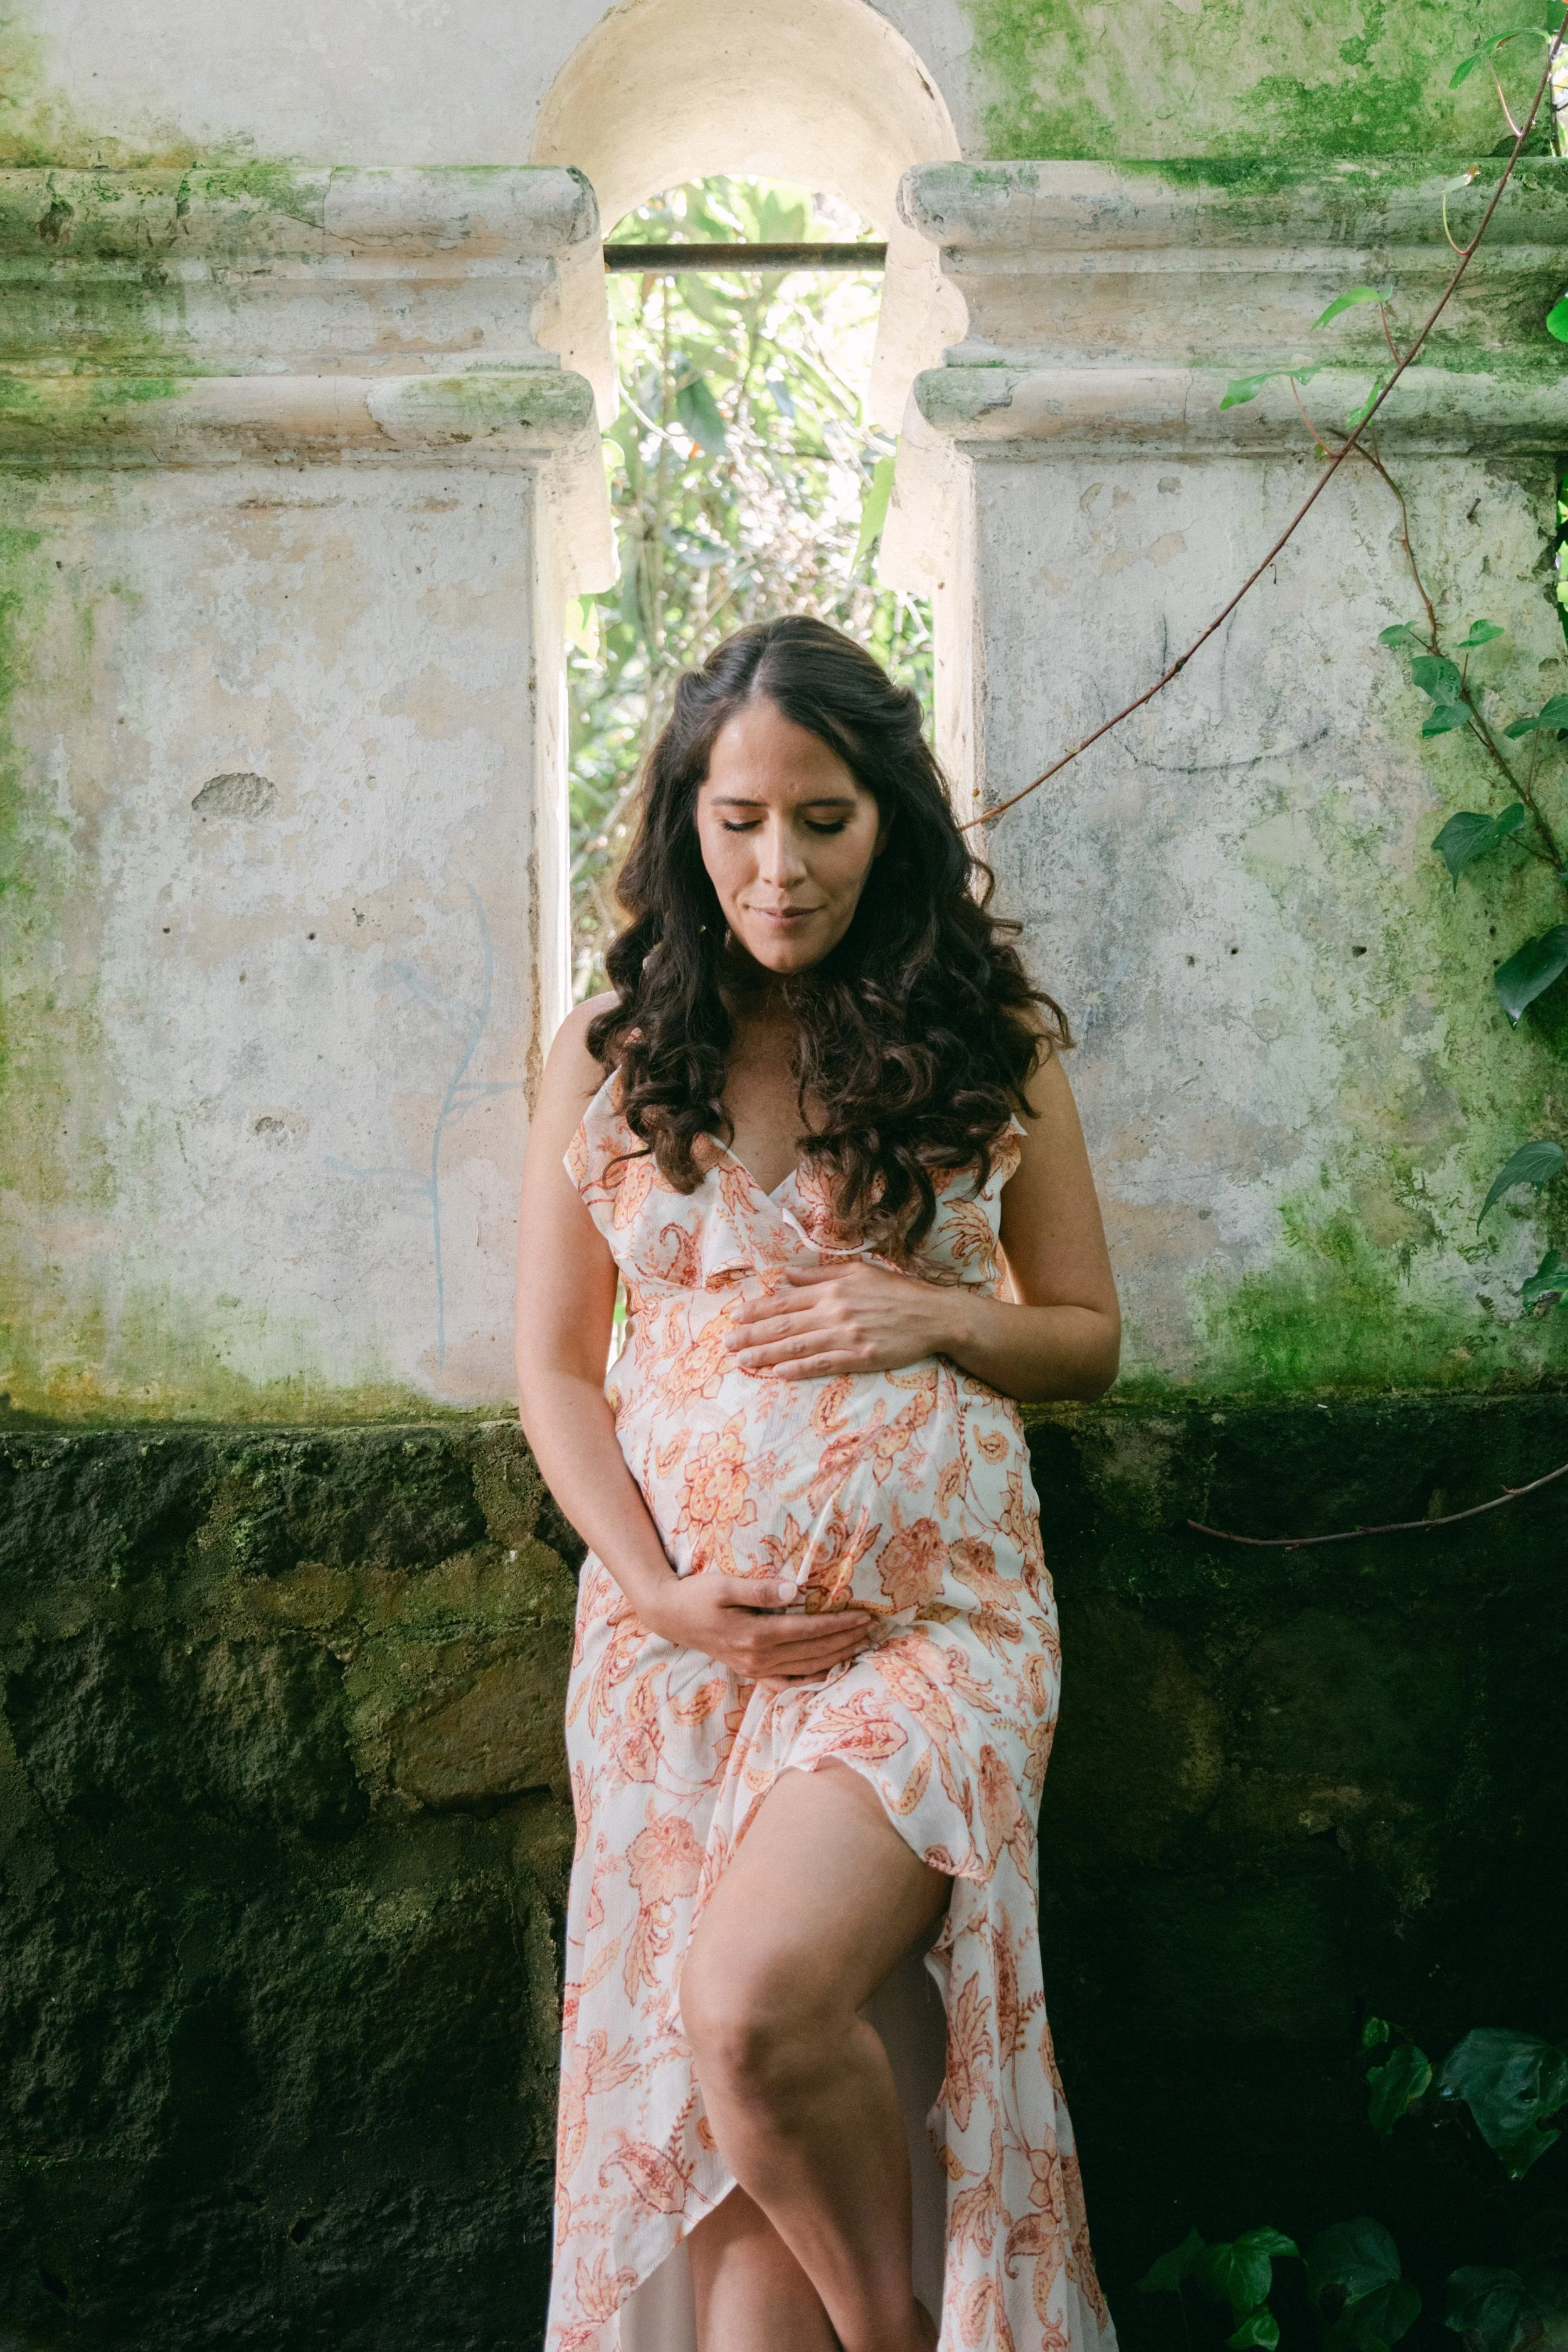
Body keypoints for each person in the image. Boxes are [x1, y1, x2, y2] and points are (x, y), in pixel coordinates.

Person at [517, 616, 1121, 2352]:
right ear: (685, 830)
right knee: (725, 2178)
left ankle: (899, 2336)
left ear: (890, 817)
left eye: (824, 819)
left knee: (760, 2005)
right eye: (740, 820)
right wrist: (651, 1587)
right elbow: (557, 1360)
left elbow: (1082, 1336)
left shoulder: (982, 1033)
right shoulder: (615, 1045)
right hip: (677, 1656)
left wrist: (930, 1309)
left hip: (927, 1635)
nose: (778, 865)